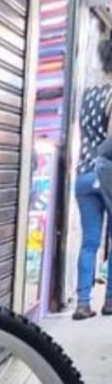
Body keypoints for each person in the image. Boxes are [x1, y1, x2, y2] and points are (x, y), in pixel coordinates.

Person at [73, 38, 112, 319]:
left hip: (84, 174)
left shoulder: (88, 94)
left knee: (89, 242)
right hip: (107, 171)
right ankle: (110, 300)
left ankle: (83, 303)